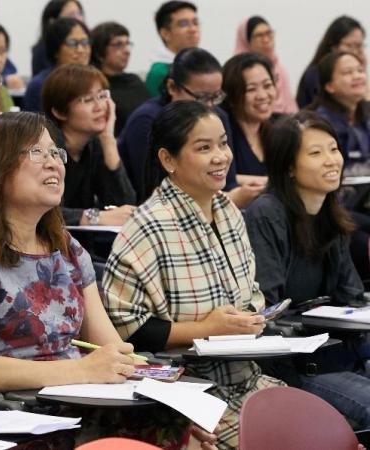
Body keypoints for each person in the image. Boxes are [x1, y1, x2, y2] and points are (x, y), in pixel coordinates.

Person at [0, 112, 214, 449]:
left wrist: (172, 408)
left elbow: (110, 351)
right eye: (36, 152)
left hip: (76, 407)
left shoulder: (67, 249)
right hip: (4, 418)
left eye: (55, 152)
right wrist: (83, 370)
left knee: (178, 432)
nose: (54, 163)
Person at [102, 100, 284, 450]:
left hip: (248, 378)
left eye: (223, 143)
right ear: (168, 159)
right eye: (204, 148)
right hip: (185, 392)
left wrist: (250, 318)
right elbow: (127, 329)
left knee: (319, 432)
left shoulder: (229, 211)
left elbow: (251, 294)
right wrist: (206, 329)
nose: (221, 157)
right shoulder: (148, 225)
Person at [243, 112, 370, 429]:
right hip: (298, 365)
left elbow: (352, 297)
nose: (331, 160)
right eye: (315, 153)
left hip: (341, 353)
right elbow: (267, 313)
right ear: (289, 166)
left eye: (333, 149)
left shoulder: (330, 213)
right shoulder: (266, 214)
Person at [119, 47, 260, 208]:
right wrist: (228, 200)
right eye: (202, 97)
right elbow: (151, 189)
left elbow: (228, 182)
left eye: (216, 96)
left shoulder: (218, 116)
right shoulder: (147, 120)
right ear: (172, 87)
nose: (210, 106)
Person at [41, 64, 136, 227]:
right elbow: (43, 211)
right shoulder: (45, 150)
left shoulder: (94, 145)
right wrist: (95, 217)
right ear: (59, 111)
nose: (99, 107)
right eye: (88, 100)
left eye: (101, 96)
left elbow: (122, 207)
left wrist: (108, 139)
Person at [221, 52, 278, 187]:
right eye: (251, 89)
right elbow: (220, 176)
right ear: (232, 95)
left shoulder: (278, 127)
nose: (262, 96)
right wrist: (273, 183)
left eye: (267, 85)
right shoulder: (222, 131)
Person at [309, 51, 370, 174]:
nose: (357, 76)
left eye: (360, 70)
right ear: (329, 86)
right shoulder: (320, 122)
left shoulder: (365, 112)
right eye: (347, 72)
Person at [90, 21, 150, 136]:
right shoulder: (97, 88)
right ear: (99, 53)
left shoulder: (134, 80)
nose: (127, 51)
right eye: (118, 45)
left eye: (127, 43)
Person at [297, 16, 366, 109]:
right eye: (352, 45)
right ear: (333, 46)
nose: (358, 51)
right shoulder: (316, 74)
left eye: (361, 46)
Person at [23, 17, 90, 112]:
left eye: (85, 42)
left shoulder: (95, 81)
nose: (80, 50)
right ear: (56, 50)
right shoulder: (41, 85)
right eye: (72, 43)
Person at [233, 16, 297, 114]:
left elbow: (290, 107)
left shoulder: (280, 70)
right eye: (259, 35)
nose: (266, 40)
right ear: (246, 40)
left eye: (269, 33)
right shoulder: (236, 71)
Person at [145, 1, 200, 97]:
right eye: (183, 24)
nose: (193, 29)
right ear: (165, 33)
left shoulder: (204, 64)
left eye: (195, 23)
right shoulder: (160, 72)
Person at [31, 0, 85, 76]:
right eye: (71, 14)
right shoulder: (43, 50)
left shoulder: (87, 44)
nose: (78, 18)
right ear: (52, 21)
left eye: (79, 13)